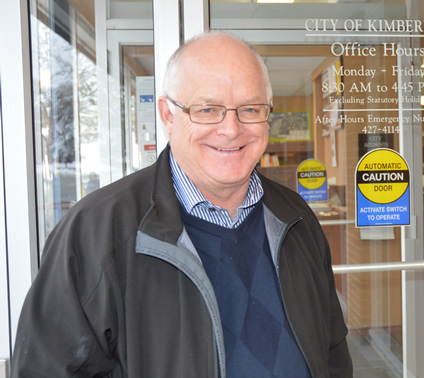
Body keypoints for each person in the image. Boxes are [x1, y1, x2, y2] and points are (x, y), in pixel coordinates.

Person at [11, 31, 352, 377]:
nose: (231, 129)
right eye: (207, 109)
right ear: (168, 115)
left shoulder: (296, 220)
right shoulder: (93, 234)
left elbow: (333, 355)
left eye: (250, 109)